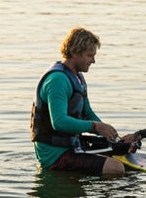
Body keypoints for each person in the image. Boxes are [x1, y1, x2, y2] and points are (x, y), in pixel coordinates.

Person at [30, 27, 125, 176]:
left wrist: (112, 137)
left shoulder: (77, 77)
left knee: (120, 155)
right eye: (89, 56)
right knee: (116, 169)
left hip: (72, 145)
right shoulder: (57, 80)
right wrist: (95, 127)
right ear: (75, 53)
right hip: (54, 155)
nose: (93, 61)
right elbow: (59, 122)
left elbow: (87, 113)